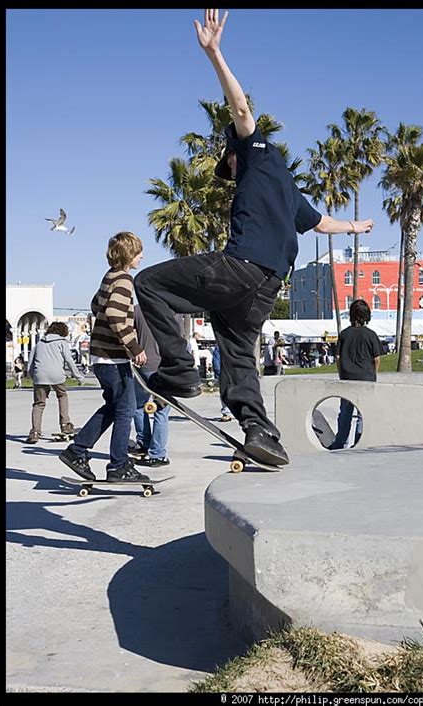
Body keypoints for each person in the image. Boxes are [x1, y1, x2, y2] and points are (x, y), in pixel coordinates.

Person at [134, 9, 374, 466]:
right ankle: (260, 430)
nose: (231, 176)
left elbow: (241, 108)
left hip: (241, 265)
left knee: (148, 283)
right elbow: (322, 223)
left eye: (229, 168)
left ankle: (180, 370)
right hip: (267, 285)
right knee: (236, 346)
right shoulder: (288, 187)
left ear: (233, 156)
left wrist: (214, 53)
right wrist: (357, 227)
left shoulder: (256, 152)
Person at [59, 232, 150, 483]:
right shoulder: (124, 279)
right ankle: (118, 466)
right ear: (128, 254)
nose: (142, 256)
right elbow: (112, 312)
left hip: (102, 356)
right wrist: (135, 347)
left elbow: (95, 305)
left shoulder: (109, 277)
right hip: (113, 358)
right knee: (126, 410)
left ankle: (76, 451)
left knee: (113, 407)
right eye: (138, 252)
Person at [328, 299, 382, 450]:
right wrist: (373, 374)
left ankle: (340, 442)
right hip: (366, 378)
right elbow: (376, 359)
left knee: (345, 412)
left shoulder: (344, 334)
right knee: (362, 414)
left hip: (347, 378)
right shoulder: (371, 335)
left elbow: (338, 358)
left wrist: (341, 374)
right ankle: (359, 442)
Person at [25, 322, 84, 444]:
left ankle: (35, 432)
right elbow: (69, 360)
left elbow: (30, 364)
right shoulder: (62, 343)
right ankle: (65, 425)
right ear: (63, 332)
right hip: (57, 375)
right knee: (62, 396)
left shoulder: (39, 344)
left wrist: (33, 377)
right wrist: (78, 376)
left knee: (38, 404)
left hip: (40, 375)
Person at [129, 304, 173, 468]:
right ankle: (157, 453)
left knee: (137, 406)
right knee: (161, 411)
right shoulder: (173, 311)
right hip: (166, 368)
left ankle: (143, 442)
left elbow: (125, 332)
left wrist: (135, 349)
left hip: (144, 365)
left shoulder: (138, 309)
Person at [212, 343, 233, 421]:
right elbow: (216, 360)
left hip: (225, 372)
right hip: (227, 371)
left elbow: (216, 360)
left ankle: (227, 411)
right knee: (227, 391)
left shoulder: (220, 345)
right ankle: (227, 411)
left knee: (225, 391)